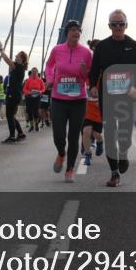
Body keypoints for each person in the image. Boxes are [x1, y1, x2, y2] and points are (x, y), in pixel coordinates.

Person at [89, 10, 136, 187]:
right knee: (110, 134)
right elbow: (94, 70)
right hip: (108, 99)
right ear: (109, 26)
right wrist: (92, 86)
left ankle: (123, 153)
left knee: (125, 135)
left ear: (126, 25)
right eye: (114, 24)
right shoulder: (102, 47)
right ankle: (114, 173)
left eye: (121, 24)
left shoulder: (134, 46)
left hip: (128, 99)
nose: (118, 27)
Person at [44, 19, 92, 182]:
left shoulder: (86, 53)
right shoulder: (57, 50)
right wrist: (49, 78)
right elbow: (49, 65)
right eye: (73, 30)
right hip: (59, 99)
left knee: (73, 136)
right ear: (67, 33)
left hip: (78, 100)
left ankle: (70, 169)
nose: (76, 32)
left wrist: (86, 73)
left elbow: (89, 77)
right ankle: (61, 153)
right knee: (58, 134)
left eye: (79, 30)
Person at [80, 39, 104, 167]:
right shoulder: (90, 63)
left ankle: (100, 141)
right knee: (86, 131)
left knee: (96, 134)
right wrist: (83, 71)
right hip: (88, 105)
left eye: (98, 48)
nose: (95, 50)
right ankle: (88, 154)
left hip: (99, 107)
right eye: (93, 48)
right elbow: (85, 79)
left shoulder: (105, 64)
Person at [0, 43, 28, 143]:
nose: (15, 57)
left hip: (13, 95)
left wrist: (1, 49)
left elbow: (6, 60)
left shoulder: (19, 67)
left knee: (9, 116)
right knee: (11, 115)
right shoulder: (20, 68)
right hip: (15, 94)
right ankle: (20, 133)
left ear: (22, 59)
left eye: (17, 56)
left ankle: (12, 136)